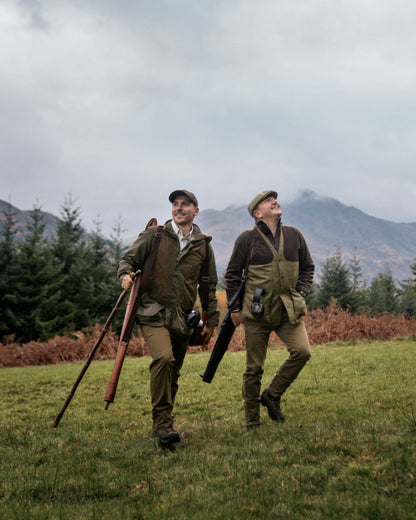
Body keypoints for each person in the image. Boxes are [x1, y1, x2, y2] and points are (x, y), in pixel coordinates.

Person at [118, 190, 219, 446]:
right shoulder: (155, 235)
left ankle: (162, 424)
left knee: (174, 372)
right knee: (163, 359)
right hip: (152, 312)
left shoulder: (203, 245)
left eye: (185, 204)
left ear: (196, 211)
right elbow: (128, 259)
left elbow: (208, 285)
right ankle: (164, 424)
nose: (179, 208)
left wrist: (212, 321)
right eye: (175, 204)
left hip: (183, 317)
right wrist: (124, 275)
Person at [224, 190, 314, 430]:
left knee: (302, 352)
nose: (274, 202)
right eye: (267, 201)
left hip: (288, 310)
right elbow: (232, 275)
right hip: (257, 313)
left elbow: (308, 267)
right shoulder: (246, 239)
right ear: (257, 213)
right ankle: (252, 419)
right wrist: (234, 308)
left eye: (275, 199)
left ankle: (271, 395)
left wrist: (302, 292)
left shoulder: (294, 236)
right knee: (254, 368)